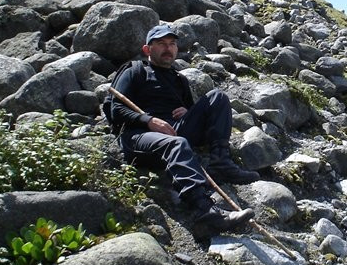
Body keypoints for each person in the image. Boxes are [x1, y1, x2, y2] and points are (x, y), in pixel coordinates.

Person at [110, 23, 259, 233]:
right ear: (147, 49)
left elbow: (194, 113)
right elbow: (115, 109)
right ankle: (205, 212)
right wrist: (148, 120)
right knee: (177, 144)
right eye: (161, 44)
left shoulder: (179, 79)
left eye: (172, 44)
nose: (168, 48)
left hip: (174, 131)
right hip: (139, 136)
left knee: (218, 97)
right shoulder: (134, 71)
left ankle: (220, 163)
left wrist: (188, 113)